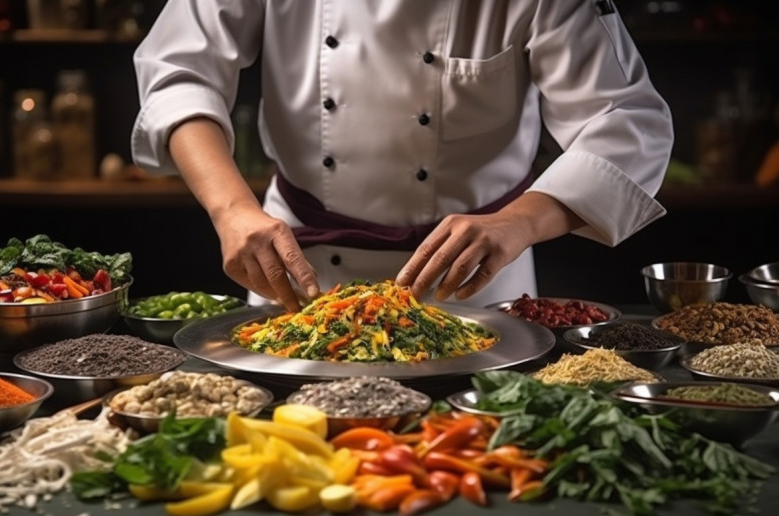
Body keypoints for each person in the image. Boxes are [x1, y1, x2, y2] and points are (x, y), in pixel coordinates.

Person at [131, 0, 673, 313]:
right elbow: (180, 72)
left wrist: (519, 222)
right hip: (300, 279)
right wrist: (230, 210)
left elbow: (627, 121)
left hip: (476, 287)